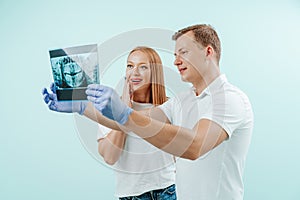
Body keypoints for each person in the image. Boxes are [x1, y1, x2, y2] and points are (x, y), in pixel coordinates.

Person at [43, 24, 253, 200]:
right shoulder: (183, 100)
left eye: (184, 52)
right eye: (175, 54)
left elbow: (195, 146)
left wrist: (124, 113)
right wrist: (81, 107)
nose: (176, 61)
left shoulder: (230, 99)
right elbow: (134, 123)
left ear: (208, 52)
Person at [43, 46, 177, 200]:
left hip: (169, 191)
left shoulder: (170, 107)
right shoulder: (108, 107)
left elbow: (179, 151)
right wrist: (123, 109)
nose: (135, 72)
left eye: (143, 67)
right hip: (131, 196)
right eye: (130, 66)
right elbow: (110, 157)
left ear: (155, 73)